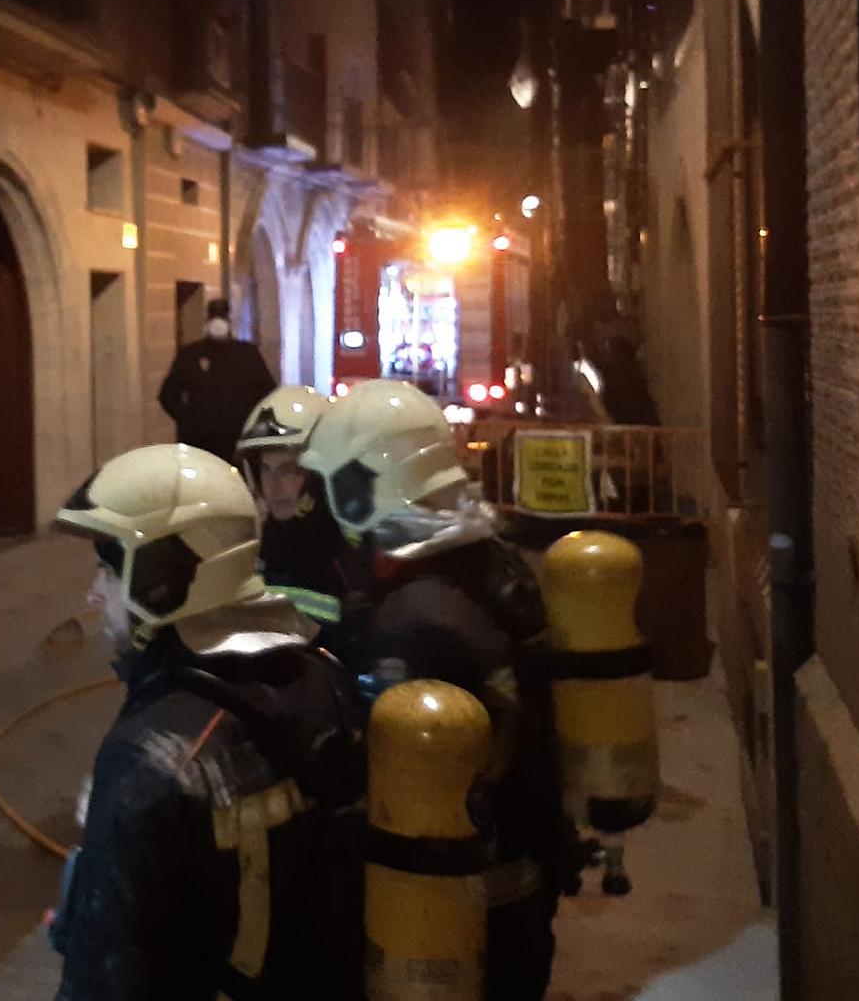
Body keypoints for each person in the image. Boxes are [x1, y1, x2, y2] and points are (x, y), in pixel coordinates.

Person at [48, 443, 366, 1001]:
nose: (94, 594)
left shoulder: (154, 755)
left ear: (163, 575)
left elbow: (107, 980)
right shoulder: (322, 677)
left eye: (108, 568)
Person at [299, 381, 578, 1001]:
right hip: (519, 879)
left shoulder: (414, 623)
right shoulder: (491, 565)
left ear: (361, 486)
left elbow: (374, 772)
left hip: (450, 917)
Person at [234, 385, 364, 648]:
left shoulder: (350, 556)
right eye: (265, 469)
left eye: (289, 470)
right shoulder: (258, 545)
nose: (272, 487)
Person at [157, 299, 278, 464]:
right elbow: (168, 395)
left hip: (238, 441)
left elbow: (267, 393)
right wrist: (190, 421)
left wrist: (251, 425)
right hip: (200, 443)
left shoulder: (247, 354)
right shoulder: (191, 355)